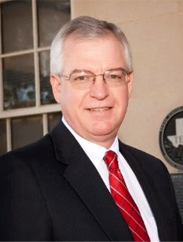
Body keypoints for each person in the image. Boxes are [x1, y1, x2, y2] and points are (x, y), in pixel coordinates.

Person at [0, 16, 182, 241]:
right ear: (57, 88)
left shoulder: (155, 172)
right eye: (82, 77)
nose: (100, 92)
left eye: (113, 76)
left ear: (129, 83)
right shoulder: (22, 174)